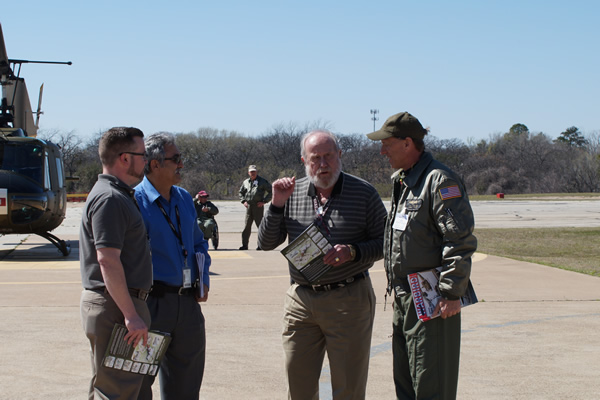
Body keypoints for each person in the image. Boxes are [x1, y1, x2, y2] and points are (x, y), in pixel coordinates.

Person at [258, 130, 387, 399]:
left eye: (329, 156)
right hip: (301, 299)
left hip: (348, 297)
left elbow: (386, 242)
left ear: (340, 155)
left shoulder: (363, 193)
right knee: (298, 383)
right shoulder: (291, 192)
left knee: (348, 387)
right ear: (304, 160)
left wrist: (353, 252)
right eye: (315, 158)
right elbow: (266, 242)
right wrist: (277, 204)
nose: (323, 164)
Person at [366, 112, 477, 400]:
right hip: (406, 297)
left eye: (387, 144)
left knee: (431, 385)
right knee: (406, 384)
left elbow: (459, 239)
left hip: (434, 301)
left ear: (407, 143)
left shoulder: (439, 181)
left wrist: (451, 293)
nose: (382, 151)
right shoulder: (404, 181)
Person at [134, 133, 211, 400]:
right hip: (151, 306)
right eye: (175, 158)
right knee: (138, 384)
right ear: (155, 164)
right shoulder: (135, 201)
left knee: (186, 388)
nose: (181, 164)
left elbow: (199, 243)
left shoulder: (184, 198)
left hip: (187, 304)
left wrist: (203, 279)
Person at [79, 127, 153, 400]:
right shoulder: (110, 198)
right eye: (142, 155)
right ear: (124, 158)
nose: (146, 161)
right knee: (118, 391)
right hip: (117, 307)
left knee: (113, 387)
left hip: (116, 304)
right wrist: (130, 315)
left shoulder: (115, 194)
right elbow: (107, 260)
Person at [238, 164, 272, 250]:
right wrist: (243, 201)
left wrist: (264, 201)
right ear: (248, 173)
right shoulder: (246, 182)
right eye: (251, 172)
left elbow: (271, 191)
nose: (252, 173)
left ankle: (261, 245)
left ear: (256, 172)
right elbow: (241, 192)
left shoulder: (262, 181)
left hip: (258, 206)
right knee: (247, 227)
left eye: (254, 171)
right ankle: (245, 245)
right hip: (249, 207)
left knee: (260, 226)